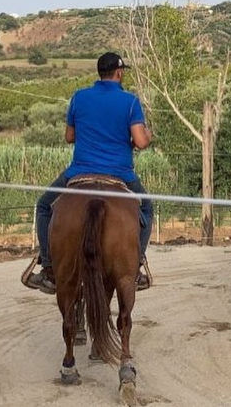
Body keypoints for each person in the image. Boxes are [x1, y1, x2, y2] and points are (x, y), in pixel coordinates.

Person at [23, 52, 154, 294]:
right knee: (147, 207)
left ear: (99, 73)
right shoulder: (130, 101)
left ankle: (48, 269)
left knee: (43, 206)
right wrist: (146, 135)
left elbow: (69, 137)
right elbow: (140, 141)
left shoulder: (79, 97)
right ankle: (136, 267)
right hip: (120, 173)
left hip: (80, 170)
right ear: (119, 73)